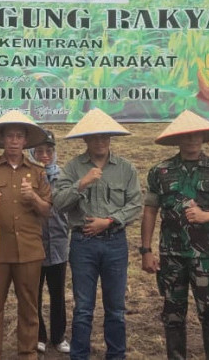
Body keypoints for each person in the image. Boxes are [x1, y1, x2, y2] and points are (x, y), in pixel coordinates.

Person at [141, 110, 209, 360]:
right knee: (173, 315)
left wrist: (206, 216)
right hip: (171, 256)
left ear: (204, 137)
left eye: (196, 135)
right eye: (186, 135)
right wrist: (146, 250)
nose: (192, 139)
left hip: (207, 256)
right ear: (177, 139)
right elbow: (150, 211)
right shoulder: (160, 172)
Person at [53, 108, 141, 360]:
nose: (100, 141)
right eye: (95, 137)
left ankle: (116, 355)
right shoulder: (73, 168)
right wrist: (82, 184)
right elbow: (58, 202)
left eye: (105, 137)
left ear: (110, 139)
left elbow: (135, 203)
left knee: (115, 308)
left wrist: (109, 221)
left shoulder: (125, 168)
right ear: (86, 140)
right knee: (83, 308)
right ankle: (79, 355)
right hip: (83, 244)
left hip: (115, 243)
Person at [0, 110, 51, 359]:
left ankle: (27, 353)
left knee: (29, 306)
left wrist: (34, 197)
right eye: (10, 136)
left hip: (29, 251)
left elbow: (47, 210)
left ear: (26, 141)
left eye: (19, 136)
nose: (14, 141)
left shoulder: (38, 173)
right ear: (3, 140)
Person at [29, 129, 71, 355]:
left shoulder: (63, 177)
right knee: (34, 293)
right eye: (39, 151)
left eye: (49, 151)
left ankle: (59, 336)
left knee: (57, 293)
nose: (44, 155)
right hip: (34, 246)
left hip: (59, 244)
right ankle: (39, 335)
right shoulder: (27, 177)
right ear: (32, 152)